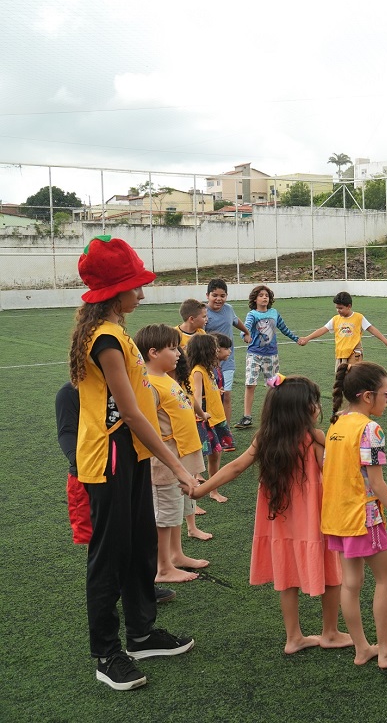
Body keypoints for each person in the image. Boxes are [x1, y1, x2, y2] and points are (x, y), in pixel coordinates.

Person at [69, 235, 195, 690]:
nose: (141, 293)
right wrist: (177, 467)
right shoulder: (105, 339)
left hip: (132, 451)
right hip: (110, 455)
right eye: (135, 286)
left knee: (140, 544)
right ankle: (106, 654)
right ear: (115, 292)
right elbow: (131, 412)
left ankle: (142, 634)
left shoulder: (116, 330)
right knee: (110, 556)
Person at [194, 375, 354, 654]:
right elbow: (334, 475)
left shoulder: (265, 438)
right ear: (302, 408)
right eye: (314, 402)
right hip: (313, 518)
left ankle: (294, 637)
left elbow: (235, 467)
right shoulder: (315, 438)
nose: (318, 407)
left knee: (287, 575)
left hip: (280, 519)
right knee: (331, 572)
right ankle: (330, 632)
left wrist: (200, 490)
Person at [321, 361, 387, 668]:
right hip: (363, 517)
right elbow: (376, 483)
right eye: (386, 394)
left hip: (337, 515)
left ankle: (362, 648)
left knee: (351, 583)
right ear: (368, 396)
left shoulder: (337, 422)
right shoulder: (370, 429)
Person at [56, 382, 177, 605]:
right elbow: (66, 433)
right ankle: (108, 595)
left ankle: (138, 588)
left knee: (134, 533)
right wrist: (83, 464)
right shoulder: (70, 392)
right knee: (101, 541)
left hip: (124, 472)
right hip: (89, 478)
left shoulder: (120, 387)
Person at [133, 324, 210, 583]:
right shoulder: (149, 384)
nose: (179, 353)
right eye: (173, 348)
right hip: (165, 460)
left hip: (182, 454)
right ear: (153, 352)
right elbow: (145, 426)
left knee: (177, 507)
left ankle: (176, 555)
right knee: (165, 513)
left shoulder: (166, 377)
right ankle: (162, 567)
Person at [237, 284, 300, 430]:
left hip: (271, 355)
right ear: (255, 299)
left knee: (273, 387)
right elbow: (245, 328)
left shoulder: (274, 313)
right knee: (250, 384)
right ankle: (247, 417)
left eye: (266, 295)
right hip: (254, 354)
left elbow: (284, 328)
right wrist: (245, 335)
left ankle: (274, 415)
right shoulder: (252, 314)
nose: (264, 298)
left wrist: (297, 339)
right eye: (261, 295)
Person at [297, 291, 387, 371]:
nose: (338, 310)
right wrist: (307, 338)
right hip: (340, 354)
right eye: (337, 308)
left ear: (349, 306)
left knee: (352, 377)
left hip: (354, 353)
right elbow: (323, 330)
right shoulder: (335, 319)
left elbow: (372, 329)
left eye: (341, 308)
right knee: (340, 379)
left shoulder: (358, 317)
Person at [185, 334, 231, 503]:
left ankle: (213, 490)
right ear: (205, 351)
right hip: (206, 420)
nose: (217, 351)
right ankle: (193, 497)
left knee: (216, 454)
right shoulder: (198, 371)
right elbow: (196, 396)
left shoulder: (208, 369)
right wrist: (201, 414)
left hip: (216, 418)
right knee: (198, 458)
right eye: (214, 348)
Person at [204, 279, 249, 447]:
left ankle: (225, 433)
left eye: (222, 296)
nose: (218, 299)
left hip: (227, 361)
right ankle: (209, 431)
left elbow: (236, 321)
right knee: (210, 397)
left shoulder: (229, 309)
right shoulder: (204, 313)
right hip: (209, 364)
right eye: (214, 295)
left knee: (226, 395)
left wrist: (246, 332)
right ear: (207, 295)